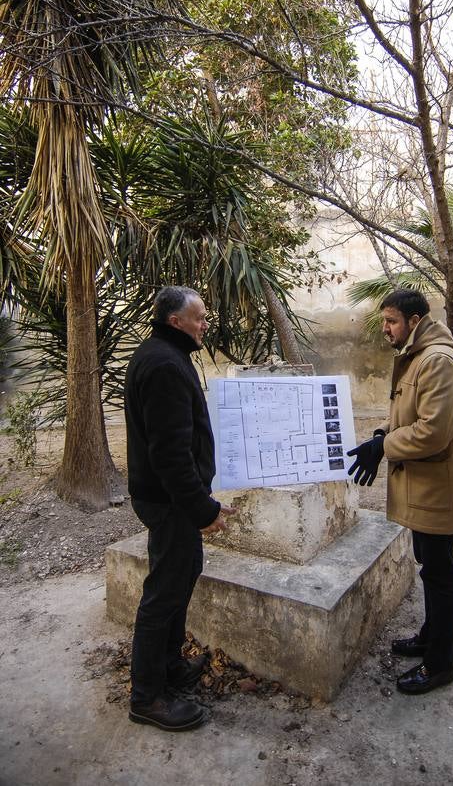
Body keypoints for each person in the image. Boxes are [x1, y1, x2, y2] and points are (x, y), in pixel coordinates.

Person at [347, 289, 453, 695]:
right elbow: (406, 415)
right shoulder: (416, 355)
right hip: (426, 490)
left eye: (390, 321)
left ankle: (440, 665)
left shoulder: (438, 360)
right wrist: (379, 435)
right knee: (430, 566)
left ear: (415, 319)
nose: (385, 329)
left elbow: (433, 433)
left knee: (440, 575)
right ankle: (429, 637)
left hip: (440, 490)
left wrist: (383, 448)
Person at [124, 285, 235, 730]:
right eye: (199, 317)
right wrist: (201, 508)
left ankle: (169, 667)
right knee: (163, 594)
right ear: (176, 322)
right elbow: (170, 455)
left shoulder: (164, 355)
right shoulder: (165, 365)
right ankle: (146, 697)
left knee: (180, 579)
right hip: (170, 503)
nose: (205, 324)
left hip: (172, 502)